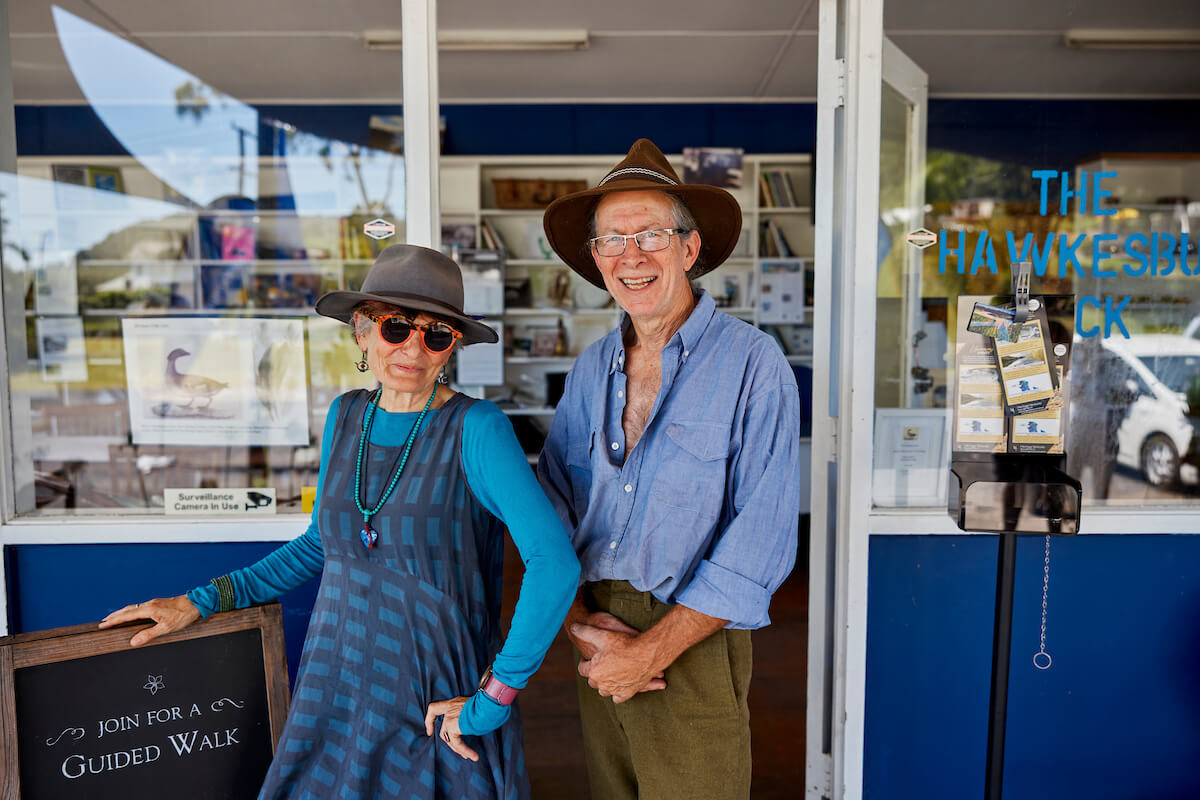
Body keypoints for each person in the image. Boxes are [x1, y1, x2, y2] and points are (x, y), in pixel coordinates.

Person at [100, 244, 580, 800]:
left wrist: (496, 696)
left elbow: (554, 564)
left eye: (436, 335)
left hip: (432, 695)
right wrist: (201, 600)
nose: (413, 348)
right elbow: (321, 544)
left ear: (451, 347)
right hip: (338, 678)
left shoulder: (477, 428)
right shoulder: (347, 414)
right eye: (396, 327)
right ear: (362, 331)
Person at [537, 138, 802, 799]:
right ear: (596, 259)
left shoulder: (753, 363)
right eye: (612, 240)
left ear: (689, 248)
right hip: (597, 632)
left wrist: (649, 652)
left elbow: (761, 537)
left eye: (651, 234)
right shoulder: (590, 368)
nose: (632, 256)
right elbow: (553, 506)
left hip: (693, 636)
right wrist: (578, 622)